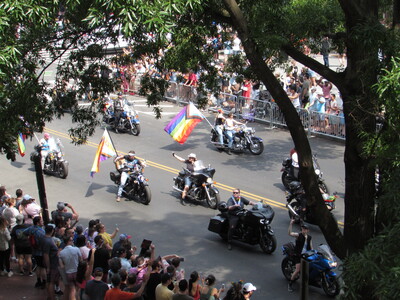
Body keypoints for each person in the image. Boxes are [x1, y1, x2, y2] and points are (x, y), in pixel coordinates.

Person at [287, 220, 313, 292]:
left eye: (305, 229)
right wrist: (291, 224)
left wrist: (313, 252)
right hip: (298, 255)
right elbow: (289, 233)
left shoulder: (310, 238)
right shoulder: (298, 235)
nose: (303, 230)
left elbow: (311, 247)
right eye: (303, 229)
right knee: (298, 270)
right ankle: (290, 284)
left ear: (308, 230)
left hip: (305, 255)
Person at [59, 234, 82, 299]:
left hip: (68, 272)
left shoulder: (61, 253)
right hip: (76, 271)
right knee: (76, 289)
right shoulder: (76, 249)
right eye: (72, 240)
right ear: (68, 241)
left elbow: (62, 266)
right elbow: (81, 260)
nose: (73, 242)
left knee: (71, 288)